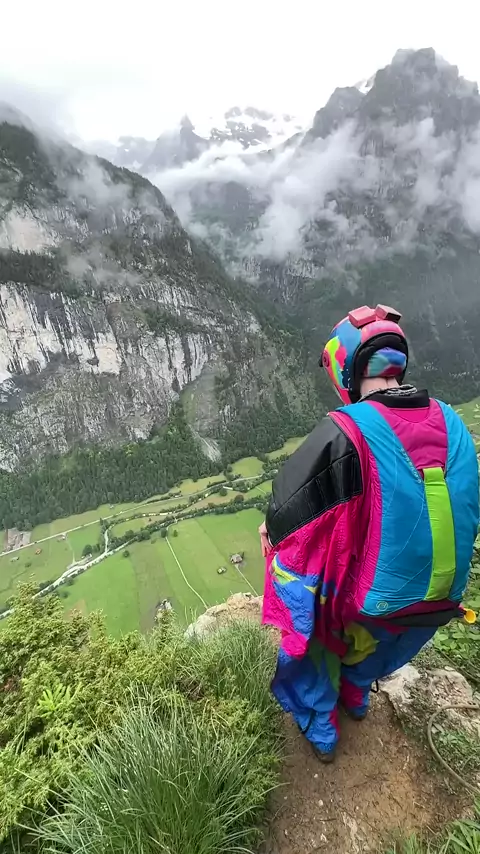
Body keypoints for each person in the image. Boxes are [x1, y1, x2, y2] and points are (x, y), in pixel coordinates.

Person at [260, 304, 479, 762]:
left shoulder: (348, 430)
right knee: (379, 640)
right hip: (443, 598)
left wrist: (272, 532)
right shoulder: (452, 420)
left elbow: (287, 509)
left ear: (346, 369)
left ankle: (320, 724)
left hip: (376, 600)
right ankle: (356, 693)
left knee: (310, 599)